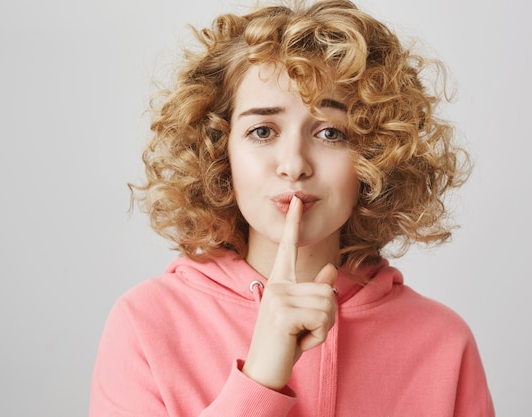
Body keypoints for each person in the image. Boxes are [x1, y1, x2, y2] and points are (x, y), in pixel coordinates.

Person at [88, 0, 495, 415]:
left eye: (331, 133)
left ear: (375, 154)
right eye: (263, 131)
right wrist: (260, 378)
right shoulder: (146, 325)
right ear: (217, 150)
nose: (295, 165)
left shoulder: (443, 343)